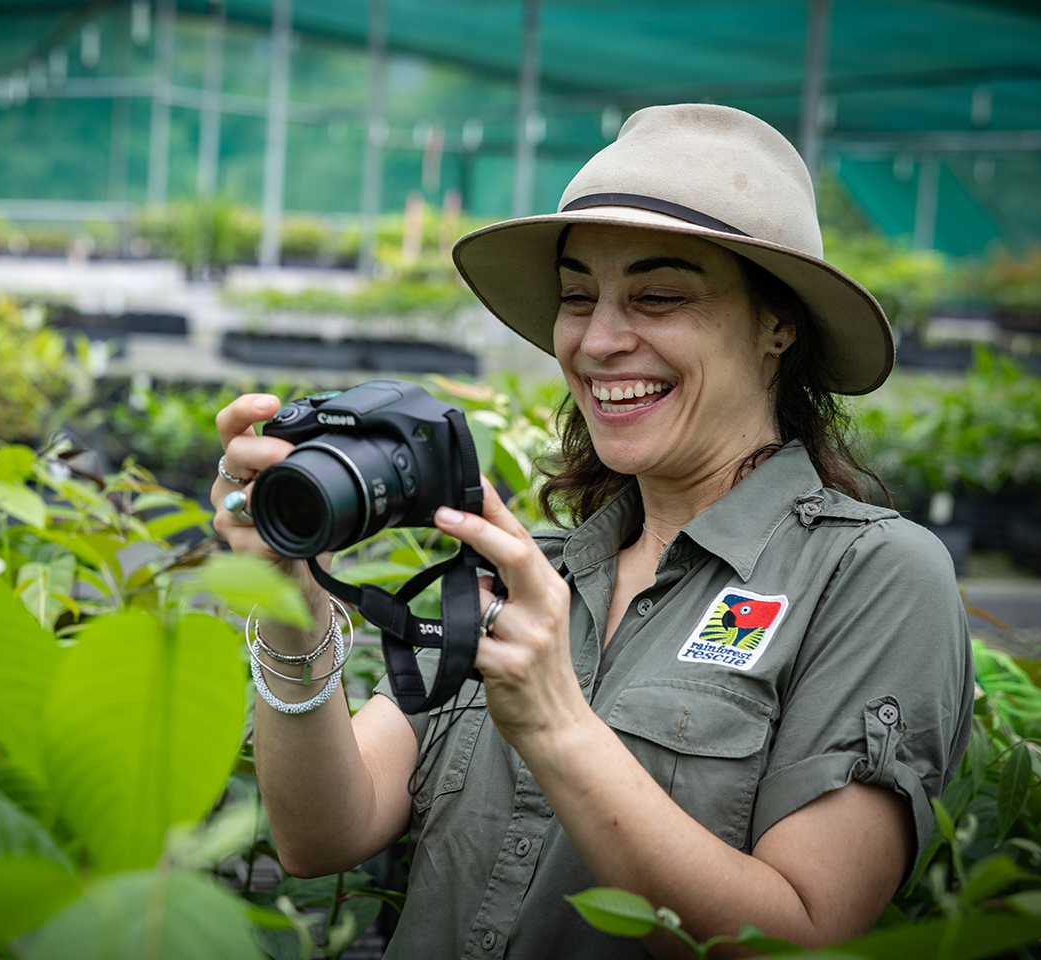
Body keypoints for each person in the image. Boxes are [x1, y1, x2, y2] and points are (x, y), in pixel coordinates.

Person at [211, 103, 973, 959]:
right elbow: (324, 834)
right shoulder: (528, 570)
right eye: (579, 297)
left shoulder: (872, 578)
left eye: (657, 296)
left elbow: (794, 938)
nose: (600, 340)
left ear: (778, 323)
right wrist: (289, 599)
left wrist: (554, 721)